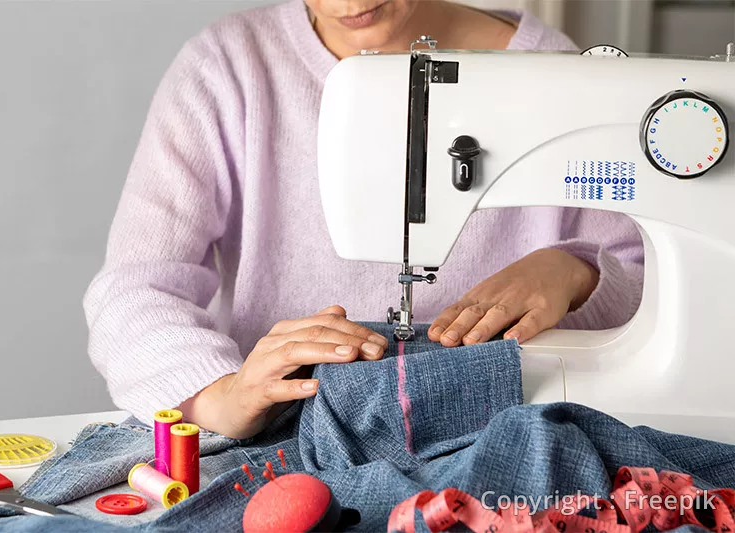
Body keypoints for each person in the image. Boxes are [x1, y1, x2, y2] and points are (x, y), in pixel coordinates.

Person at [83, 0, 643, 440]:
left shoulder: (562, 73)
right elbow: (136, 288)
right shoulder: (229, 66)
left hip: (497, 427)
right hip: (282, 428)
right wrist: (218, 395)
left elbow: (646, 277)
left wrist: (576, 272)